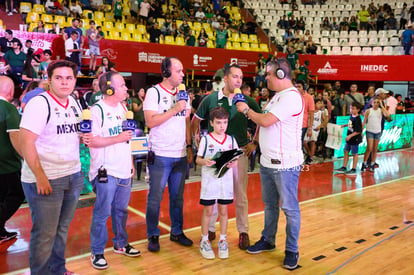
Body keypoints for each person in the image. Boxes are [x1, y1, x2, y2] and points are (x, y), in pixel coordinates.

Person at [234, 58, 303, 270]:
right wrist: (255, 141)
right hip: (267, 162)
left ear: (281, 75)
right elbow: (264, 123)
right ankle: (268, 239)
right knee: (270, 205)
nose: (265, 78)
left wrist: (245, 110)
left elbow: (264, 121)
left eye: (269, 74)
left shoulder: (291, 98)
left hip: (285, 164)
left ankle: (292, 250)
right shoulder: (276, 98)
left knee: (289, 209)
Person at [19, 60, 84, 275]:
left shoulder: (74, 102)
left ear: (75, 80)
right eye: (59, 78)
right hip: (47, 177)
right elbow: (25, 142)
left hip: (72, 174)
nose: (64, 82)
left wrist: (84, 138)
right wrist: (40, 176)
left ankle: (58, 270)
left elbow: (69, 135)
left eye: (69, 78)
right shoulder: (40, 104)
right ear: (49, 80)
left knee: (61, 229)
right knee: (44, 233)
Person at [191, 63, 261, 250]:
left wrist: (254, 142)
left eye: (241, 77)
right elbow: (195, 121)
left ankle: (243, 231)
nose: (238, 80)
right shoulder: (210, 99)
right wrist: (196, 139)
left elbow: (262, 121)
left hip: (239, 152)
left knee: (240, 193)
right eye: (235, 76)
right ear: (226, 78)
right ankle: (211, 229)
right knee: (214, 191)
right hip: (215, 153)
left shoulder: (247, 101)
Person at [83, 71, 141, 269]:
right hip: (105, 171)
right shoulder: (96, 111)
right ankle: (97, 251)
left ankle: (121, 244)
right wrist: (119, 138)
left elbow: (128, 139)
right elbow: (92, 141)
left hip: (124, 168)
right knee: (102, 213)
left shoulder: (124, 108)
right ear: (109, 88)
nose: (126, 88)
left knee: (121, 211)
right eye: (123, 85)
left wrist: (131, 161)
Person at [143, 57, 193, 252]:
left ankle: (177, 231)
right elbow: (150, 121)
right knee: (155, 197)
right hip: (161, 155)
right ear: (166, 72)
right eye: (179, 71)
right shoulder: (153, 93)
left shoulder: (183, 94)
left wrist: (189, 145)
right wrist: (175, 109)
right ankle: (153, 234)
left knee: (177, 198)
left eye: (182, 71)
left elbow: (186, 121)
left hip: (180, 154)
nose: (182, 74)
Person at [196, 107, 238, 260]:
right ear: (212, 123)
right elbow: (198, 159)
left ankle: (223, 240)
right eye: (219, 123)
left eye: (225, 122)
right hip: (210, 182)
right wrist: (205, 161)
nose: (222, 126)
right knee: (208, 211)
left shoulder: (231, 139)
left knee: (224, 211)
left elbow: (236, 157)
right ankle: (205, 240)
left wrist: (233, 163)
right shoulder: (206, 140)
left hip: (225, 182)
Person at [0, 76, 25, 244]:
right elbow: (15, 136)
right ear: (10, 91)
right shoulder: (8, 108)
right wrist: (27, 157)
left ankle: (0, 232)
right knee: (16, 195)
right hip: (7, 165)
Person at [361, 98, 390, 172]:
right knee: (369, 148)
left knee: (375, 148)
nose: (376, 104)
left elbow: (388, 115)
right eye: (375, 102)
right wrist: (361, 131)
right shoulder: (368, 111)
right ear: (371, 103)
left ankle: (372, 163)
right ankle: (364, 163)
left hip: (378, 131)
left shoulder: (381, 110)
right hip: (369, 131)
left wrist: (382, 106)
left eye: (378, 102)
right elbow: (364, 121)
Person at [334, 102, 363, 176]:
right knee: (346, 151)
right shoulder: (352, 116)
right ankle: (344, 167)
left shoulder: (358, 119)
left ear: (358, 110)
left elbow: (358, 131)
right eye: (350, 108)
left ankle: (354, 169)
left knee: (354, 154)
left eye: (353, 109)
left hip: (354, 139)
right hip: (349, 138)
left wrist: (350, 136)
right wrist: (345, 125)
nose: (351, 110)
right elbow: (351, 125)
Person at [303, 98, 326, 164]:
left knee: (312, 142)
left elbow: (324, 121)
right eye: (318, 103)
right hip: (309, 128)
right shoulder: (310, 111)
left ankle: (310, 157)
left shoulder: (320, 112)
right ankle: (309, 153)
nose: (320, 105)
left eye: (320, 103)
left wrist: (320, 126)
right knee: (304, 142)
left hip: (315, 129)